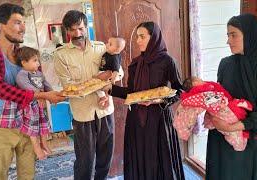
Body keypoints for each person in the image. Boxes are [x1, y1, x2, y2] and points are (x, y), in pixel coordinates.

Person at [0, 3, 65, 180]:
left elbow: (39, 81)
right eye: (17, 22)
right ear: (1, 26)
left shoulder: (25, 55)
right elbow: (1, 90)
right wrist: (44, 96)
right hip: (0, 124)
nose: (23, 27)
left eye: (23, 22)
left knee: (28, 174)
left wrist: (56, 93)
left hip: (26, 121)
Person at [205, 14, 257, 180]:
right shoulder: (225, 64)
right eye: (228, 35)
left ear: (249, 35)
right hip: (222, 140)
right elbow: (220, 98)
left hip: (251, 142)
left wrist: (235, 126)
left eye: (233, 35)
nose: (228, 41)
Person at [108, 21, 185, 180]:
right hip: (136, 120)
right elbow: (131, 93)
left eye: (142, 37)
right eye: (137, 37)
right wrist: (109, 89)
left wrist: (159, 101)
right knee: (139, 157)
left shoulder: (167, 61)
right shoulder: (135, 64)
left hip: (158, 120)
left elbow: (179, 90)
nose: (138, 41)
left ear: (154, 37)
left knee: (159, 158)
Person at [53, 10, 120, 180]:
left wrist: (107, 87)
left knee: (106, 155)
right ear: (67, 31)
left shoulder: (102, 47)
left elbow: (118, 72)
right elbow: (69, 86)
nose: (78, 33)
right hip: (82, 114)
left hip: (105, 110)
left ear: (86, 26)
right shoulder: (61, 55)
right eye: (73, 30)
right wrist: (96, 82)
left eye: (81, 28)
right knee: (85, 159)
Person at [173, 76, 254, 151]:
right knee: (232, 125)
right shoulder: (197, 93)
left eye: (198, 79)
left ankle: (245, 136)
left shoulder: (207, 85)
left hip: (228, 105)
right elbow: (198, 105)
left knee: (234, 123)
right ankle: (243, 139)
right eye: (196, 81)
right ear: (193, 85)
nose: (200, 80)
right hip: (224, 106)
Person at [15, 46, 52, 160]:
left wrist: (51, 95)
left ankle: (44, 144)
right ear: (24, 62)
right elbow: (27, 87)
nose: (38, 63)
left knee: (43, 125)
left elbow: (46, 84)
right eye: (35, 60)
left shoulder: (39, 74)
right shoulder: (22, 74)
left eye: (38, 60)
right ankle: (37, 148)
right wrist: (41, 95)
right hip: (30, 106)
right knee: (33, 128)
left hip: (41, 105)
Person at [97, 37, 125, 108]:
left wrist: (112, 80)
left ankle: (104, 97)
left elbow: (115, 71)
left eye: (110, 44)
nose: (106, 44)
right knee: (101, 87)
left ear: (116, 50)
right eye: (108, 42)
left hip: (108, 73)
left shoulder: (114, 57)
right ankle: (105, 98)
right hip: (104, 72)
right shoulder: (108, 52)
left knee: (96, 80)